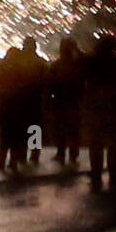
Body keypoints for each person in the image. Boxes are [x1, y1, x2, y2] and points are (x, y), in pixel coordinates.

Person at [85, 33, 116, 188]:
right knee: (113, 141)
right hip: (114, 105)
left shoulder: (92, 62)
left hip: (97, 105)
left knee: (96, 141)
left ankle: (96, 171)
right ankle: (113, 171)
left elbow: (86, 80)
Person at [14, 37, 49, 165]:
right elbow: (46, 81)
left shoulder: (20, 62)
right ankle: (34, 153)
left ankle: (22, 153)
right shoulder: (40, 62)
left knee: (22, 127)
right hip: (35, 98)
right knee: (34, 127)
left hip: (22, 98)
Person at [50, 36, 83, 165]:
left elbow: (50, 82)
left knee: (60, 128)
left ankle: (61, 153)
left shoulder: (57, 65)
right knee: (73, 129)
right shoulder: (77, 66)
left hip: (60, 101)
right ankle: (72, 154)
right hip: (73, 101)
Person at [0, 45, 24, 169]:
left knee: (5, 134)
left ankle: (2, 161)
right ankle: (20, 158)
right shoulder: (22, 68)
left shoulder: (4, 66)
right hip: (19, 104)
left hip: (5, 102)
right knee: (18, 133)